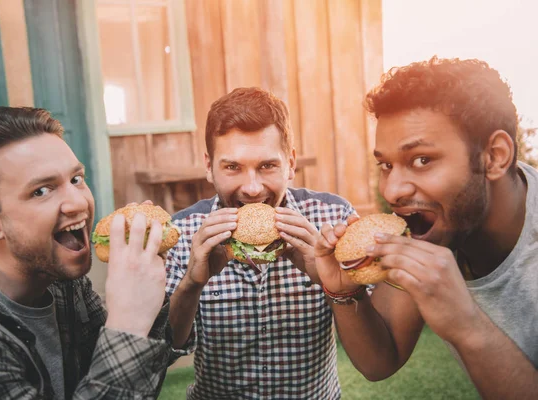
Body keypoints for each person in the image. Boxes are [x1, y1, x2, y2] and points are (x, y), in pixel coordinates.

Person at [314, 57, 538, 399]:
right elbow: (380, 360)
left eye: (422, 160)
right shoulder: (440, 228)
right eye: (386, 165)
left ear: (493, 156)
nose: (391, 191)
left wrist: (467, 326)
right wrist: (345, 291)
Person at [0, 107, 171, 399]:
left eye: (76, 179)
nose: (78, 203)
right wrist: (128, 325)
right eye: (41, 191)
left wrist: (184, 288)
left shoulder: (61, 278)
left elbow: (130, 379)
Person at [165, 87, 357, 399]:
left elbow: (369, 352)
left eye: (267, 166)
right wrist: (191, 283)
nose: (253, 189)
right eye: (232, 167)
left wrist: (331, 281)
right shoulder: (184, 230)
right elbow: (167, 350)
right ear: (208, 167)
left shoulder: (333, 217)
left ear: (291, 163)